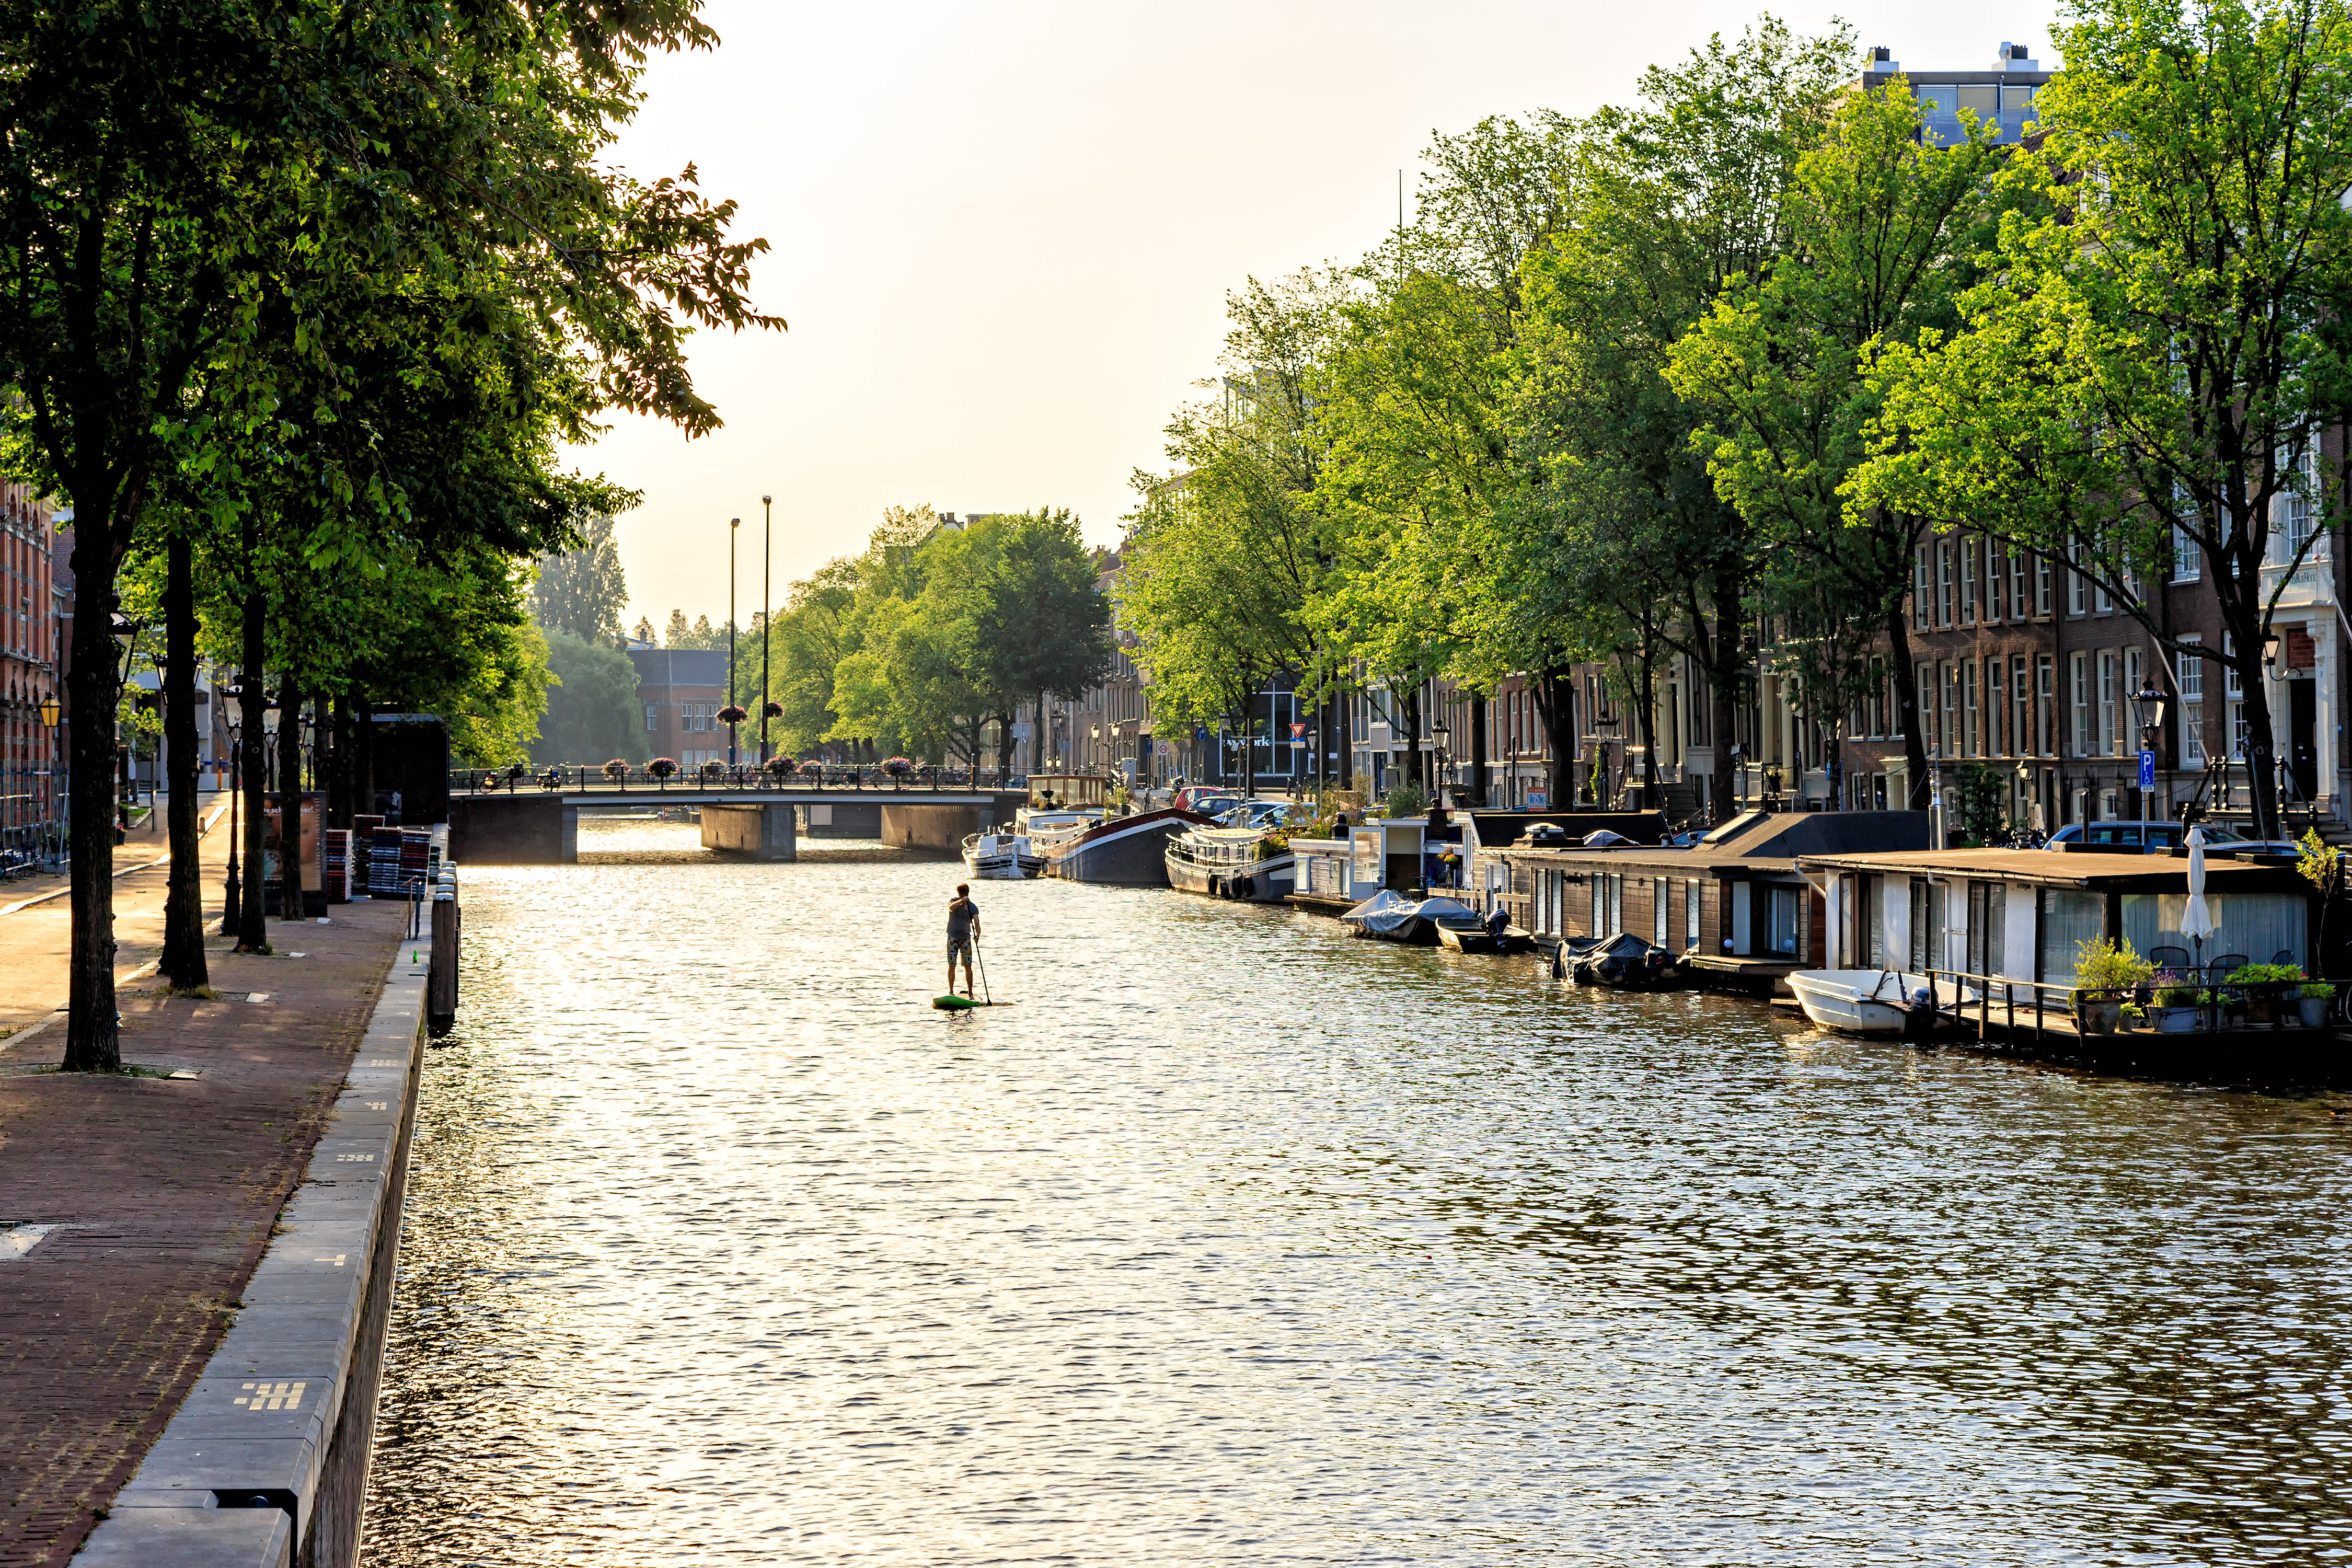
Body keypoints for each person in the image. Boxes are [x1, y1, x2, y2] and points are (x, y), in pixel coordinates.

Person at [947, 882, 982, 998]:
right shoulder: (954, 901)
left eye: (963, 894)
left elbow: (977, 923)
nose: (962, 895)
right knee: (952, 964)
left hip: (966, 939)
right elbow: (951, 908)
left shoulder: (972, 907)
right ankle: (951, 991)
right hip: (953, 938)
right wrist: (961, 901)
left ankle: (970, 993)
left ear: (967, 893)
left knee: (968, 966)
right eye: (961, 894)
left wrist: (978, 935)